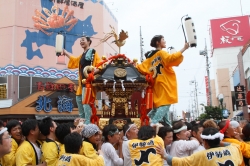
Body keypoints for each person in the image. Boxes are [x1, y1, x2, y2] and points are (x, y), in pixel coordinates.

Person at [137, 35, 189, 127]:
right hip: (164, 82)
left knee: (160, 106)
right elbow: (171, 59)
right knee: (166, 103)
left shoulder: (150, 58)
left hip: (156, 84)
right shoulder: (161, 53)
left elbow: (140, 67)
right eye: (163, 40)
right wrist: (184, 48)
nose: (165, 41)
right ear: (158, 42)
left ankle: (167, 126)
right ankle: (152, 123)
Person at [63, 35, 102, 124]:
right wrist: (65, 53)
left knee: (86, 103)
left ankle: (87, 124)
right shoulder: (82, 55)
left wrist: (91, 74)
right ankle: (82, 122)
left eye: (83, 40)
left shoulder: (92, 52)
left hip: (87, 83)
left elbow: (100, 66)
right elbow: (75, 60)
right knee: (79, 101)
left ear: (89, 41)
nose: (81, 41)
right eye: (80, 40)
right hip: (81, 83)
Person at [157, 127, 244, 166]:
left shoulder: (202, 155)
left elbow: (182, 162)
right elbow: (235, 145)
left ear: (205, 142)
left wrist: (165, 156)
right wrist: (220, 143)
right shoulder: (233, 149)